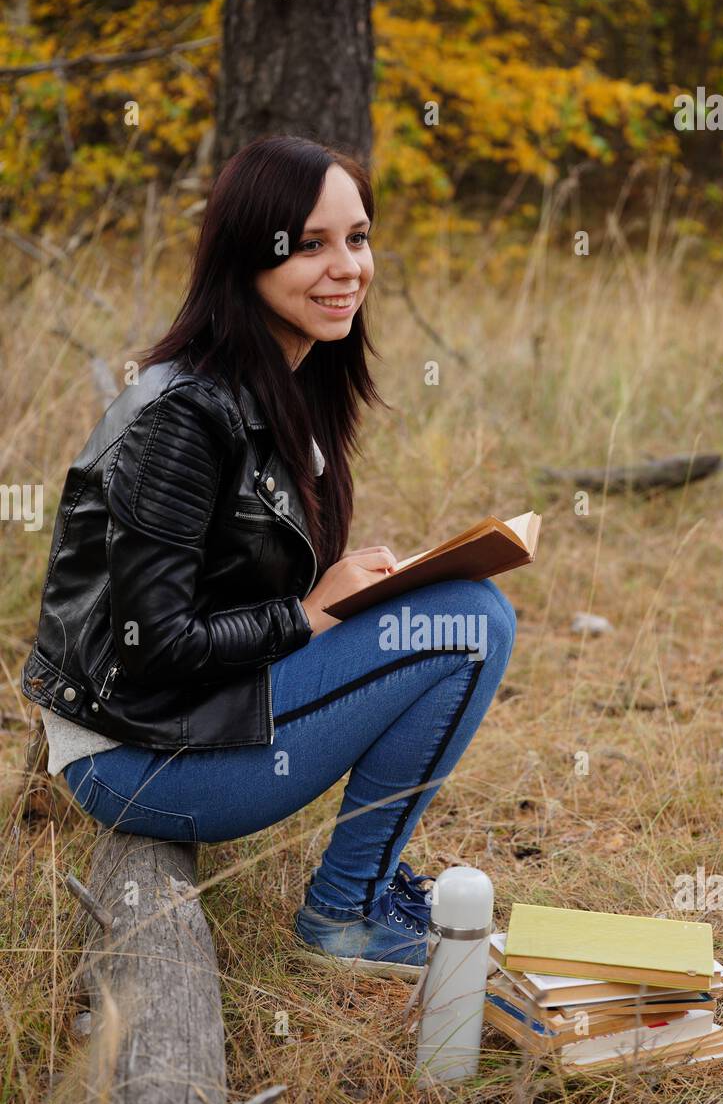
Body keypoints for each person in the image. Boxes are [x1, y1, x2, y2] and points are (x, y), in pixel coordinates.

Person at [20, 135, 517, 977]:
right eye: (311, 245)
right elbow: (152, 646)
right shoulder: (185, 413)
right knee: (470, 624)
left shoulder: (290, 385)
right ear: (250, 254)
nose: (346, 267)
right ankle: (348, 915)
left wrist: (348, 595)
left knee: (459, 607)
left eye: (357, 238)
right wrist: (314, 612)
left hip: (179, 724)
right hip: (133, 761)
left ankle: (369, 892)